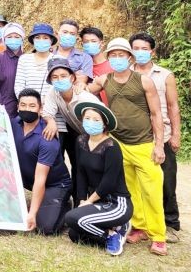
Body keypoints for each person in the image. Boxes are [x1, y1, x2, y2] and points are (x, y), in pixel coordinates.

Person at [87, 37, 167, 256]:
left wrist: (159, 145)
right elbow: (84, 89)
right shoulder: (105, 80)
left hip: (143, 144)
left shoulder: (144, 81)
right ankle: (139, 227)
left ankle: (159, 236)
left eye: (121, 55)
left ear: (129, 58)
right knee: (129, 191)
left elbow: (156, 114)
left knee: (151, 191)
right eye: (113, 55)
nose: (117, 58)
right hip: (118, 144)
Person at [130, 32, 182, 243]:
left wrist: (176, 134)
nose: (140, 53)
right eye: (136, 48)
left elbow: (172, 106)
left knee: (167, 181)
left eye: (144, 49)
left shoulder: (165, 75)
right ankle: (140, 224)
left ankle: (170, 223)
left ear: (152, 51)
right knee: (138, 183)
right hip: (135, 136)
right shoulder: (125, 72)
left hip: (163, 134)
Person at [64, 102, 132, 255]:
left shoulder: (112, 147)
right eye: (87, 118)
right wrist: (81, 200)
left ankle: (115, 233)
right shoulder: (81, 141)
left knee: (71, 218)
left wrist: (89, 202)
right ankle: (111, 231)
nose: (91, 122)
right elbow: (80, 172)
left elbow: (109, 182)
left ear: (104, 124)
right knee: (74, 234)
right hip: (98, 203)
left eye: (96, 120)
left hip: (117, 203)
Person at [41, 57, 103, 207]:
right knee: (79, 169)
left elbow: (103, 119)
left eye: (63, 76)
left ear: (72, 77)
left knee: (95, 171)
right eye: (54, 77)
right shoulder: (53, 92)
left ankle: (101, 206)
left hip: (98, 135)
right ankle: (78, 204)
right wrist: (50, 121)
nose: (59, 79)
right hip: (80, 134)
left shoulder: (84, 97)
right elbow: (48, 111)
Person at [11, 88, 72, 235]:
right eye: (23, 105)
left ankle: (65, 205)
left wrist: (31, 213)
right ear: (17, 106)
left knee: (45, 228)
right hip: (28, 180)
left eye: (32, 106)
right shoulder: (14, 123)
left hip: (55, 184)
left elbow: (40, 178)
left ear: (40, 108)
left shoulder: (47, 139)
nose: (27, 109)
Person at [15, 23, 68, 132]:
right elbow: (19, 85)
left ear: (51, 41)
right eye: (37, 37)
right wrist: (30, 103)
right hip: (29, 112)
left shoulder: (59, 59)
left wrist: (44, 103)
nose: (41, 40)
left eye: (45, 38)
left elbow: (61, 87)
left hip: (54, 115)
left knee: (52, 145)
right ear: (33, 40)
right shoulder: (24, 59)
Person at [0, 23, 25, 118]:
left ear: (22, 39)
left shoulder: (27, 58)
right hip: (5, 108)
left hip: (25, 109)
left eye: (17, 37)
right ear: (4, 39)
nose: (13, 39)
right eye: (9, 36)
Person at [54, 19, 93, 90]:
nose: (68, 36)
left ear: (76, 38)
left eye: (72, 34)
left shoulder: (84, 58)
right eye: (65, 32)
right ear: (57, 34)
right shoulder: (49, 54)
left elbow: (81, 82)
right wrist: (73, 74)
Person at [80, 27, 112, 104]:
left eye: (93, 41)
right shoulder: (80, 66)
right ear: (82, 44)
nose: (90, 44)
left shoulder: (112, 67)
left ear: (101, 44)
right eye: (86, 42)